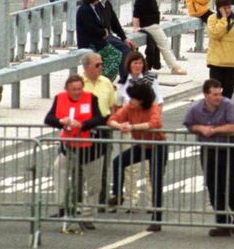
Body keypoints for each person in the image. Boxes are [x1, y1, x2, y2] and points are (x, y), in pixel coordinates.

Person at [183, 78, 234, 236]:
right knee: (212, 185)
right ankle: (222, 222)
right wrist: (201, 128)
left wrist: (215, 130)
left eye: (220, 94)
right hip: (208, 150)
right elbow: (189, 124)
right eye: (214, 94)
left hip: (227, 149)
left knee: (229, 184)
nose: (218, 97)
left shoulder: (228, 105)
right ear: (206, 95)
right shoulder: (196, 108)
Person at [45, 74, 104, 231]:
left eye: (79, 89)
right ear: (67, 89)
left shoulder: (91, 98)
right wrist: (60, 122)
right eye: (74, 90)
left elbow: (99, 119)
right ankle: (64, 206)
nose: (77, 92)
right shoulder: (60, 98)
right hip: (69, 146)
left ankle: (88, 215)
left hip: (90, 148)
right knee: (59, 169)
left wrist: (83, 124)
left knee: (93, 183)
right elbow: (48, 118)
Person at [108, 81, 168, 232]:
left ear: (142, 99)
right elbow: (112, 120)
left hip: (157, 145)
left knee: (156, 180)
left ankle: (157, 218)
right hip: (141, 145)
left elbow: (155, 123)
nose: (130, 100)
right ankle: (117, 193)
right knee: (118, 161)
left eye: (133, 98)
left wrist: (132, 127)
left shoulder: (153, 107)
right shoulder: (130, 107)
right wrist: (120, 126)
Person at [132, 0, 186, 75]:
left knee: (164, 44)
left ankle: (173, 66)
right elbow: (136, 14)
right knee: (164, 44)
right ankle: (174, 67)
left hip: (153, 25)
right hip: (150, 26)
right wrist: (136, 27)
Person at [206, 0, 234, 100]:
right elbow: (215, 33)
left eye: (229, 7)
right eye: (224, 8)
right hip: (216, 62)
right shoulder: (212, 19)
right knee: (214, 91)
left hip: (231, 62)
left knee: (228, 91)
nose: (228, 10)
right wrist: (223, 19)